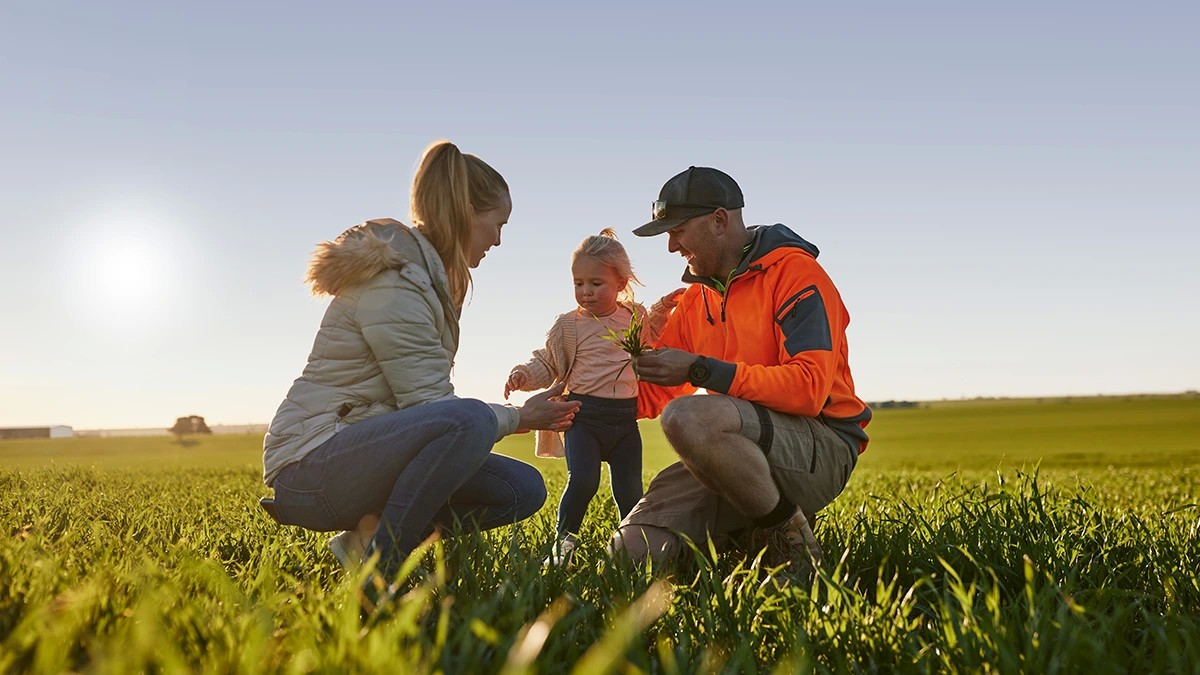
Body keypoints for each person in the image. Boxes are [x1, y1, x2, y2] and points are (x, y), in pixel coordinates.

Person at [260, 140, 581, 597]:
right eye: (497, 224)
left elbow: (427, 414)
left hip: (356, 455)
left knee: (521, 488)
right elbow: (434, 409)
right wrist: (521, 417)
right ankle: (379, 572)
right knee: (468, 420)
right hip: (311, 465)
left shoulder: (428, 281)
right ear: (465, 213)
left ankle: (363, 545)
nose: (498, 240)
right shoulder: (397, 284)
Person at [609, 166, 871, 574]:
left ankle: (790, 538)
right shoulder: (697, 298)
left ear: (719, 220)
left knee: (687, 418)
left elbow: (809, 389)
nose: (671, 246)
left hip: (822, 445)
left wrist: (700, 369)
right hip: (733, 448)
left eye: (677, 230)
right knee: (630, 554)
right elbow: (650, 398)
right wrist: (590, 389)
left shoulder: (796, 275)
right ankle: (750, 533)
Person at [503, 229, 670, 565]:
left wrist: (663, 309)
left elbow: (651, 335)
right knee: (583, 481)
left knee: (629, 492)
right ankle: (563, 544)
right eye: (578, 283)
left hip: (624, 420)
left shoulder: (633, 316)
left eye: (596, 283)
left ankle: (631, 547)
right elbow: (547, 361)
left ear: (620, 284)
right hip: (583, 417)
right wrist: (524, 374)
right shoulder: (568, 325)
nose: (585, 292)